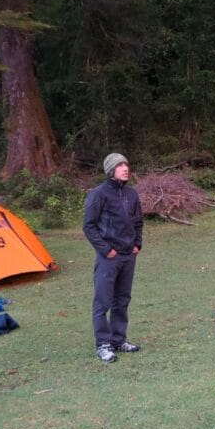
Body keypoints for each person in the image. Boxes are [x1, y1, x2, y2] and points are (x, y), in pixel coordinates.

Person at [83, 152, 144, 363]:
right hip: (108, 257)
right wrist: (106, 249)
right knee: (103, 301)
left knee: (122, 300)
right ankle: (103, 344)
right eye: (120, 166)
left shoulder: (132, 194)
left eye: (126, 165)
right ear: (111, 171)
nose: (125, 169)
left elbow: (138, 222)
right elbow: (89, 226)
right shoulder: (98, 194)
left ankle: (119, 340)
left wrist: (137, 244)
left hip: (128, 256)